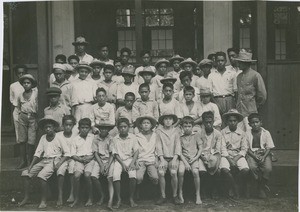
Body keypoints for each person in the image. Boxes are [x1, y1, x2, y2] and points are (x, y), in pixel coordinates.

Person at [19, 116, 70, 209]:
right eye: (46, 127)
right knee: (25, 173)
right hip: (44, 160)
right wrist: (30, 165)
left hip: (54, 161)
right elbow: (38, 153)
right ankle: (26, 197)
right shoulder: (43, 137)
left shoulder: (59, 137)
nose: (48, 129)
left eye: (50, 127)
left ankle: (43, 200)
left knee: (41, 175)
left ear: (54, 127)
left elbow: (67, 153)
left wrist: (59, 163)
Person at [198, 111, 232, 198]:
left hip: (214, 155)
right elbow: (199, 148)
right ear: (203, 122)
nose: (208, 124)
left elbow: (218, 149)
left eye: (210, 122)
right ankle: (204, 190)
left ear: (213, 122)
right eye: (206, 122)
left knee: (217, 170)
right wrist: (203, 158)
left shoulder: (218, 134)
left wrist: (212, 158)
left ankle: (215, 189)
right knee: (202, 171)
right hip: (202, 156)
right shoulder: (199, 134)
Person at [235, 49, 267, 131]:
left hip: (250, 111)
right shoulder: (239, 76)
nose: (238, 64)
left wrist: (256, 105)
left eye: (240, 62)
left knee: (250, 133)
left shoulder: (255, 75)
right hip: (239, 111)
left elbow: (262, 94)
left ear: (246, 63)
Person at [221, 109, 250, 198]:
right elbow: (222, 148)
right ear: (227, 122)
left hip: (238, 155)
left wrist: (235, 159)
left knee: (245, 170)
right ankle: (233, 187)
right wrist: (230, 159)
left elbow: (244, 149)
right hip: (226, 155)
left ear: (237, 121)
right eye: (230, 121)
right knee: (224, 170)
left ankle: (236, 184)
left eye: (234, 121)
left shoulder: (242, 133)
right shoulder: (222, 132)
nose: (232, 123)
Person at [245, 113, 274, 199]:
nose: (255, 124)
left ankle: (261, 187)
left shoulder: (266, 133)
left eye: (257, 122)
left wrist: (263, 157)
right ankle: (259, 185)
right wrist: (254, 157)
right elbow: (246, 148)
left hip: (264, 153)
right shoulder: (247, 133)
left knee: (268, 168)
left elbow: (269, 147)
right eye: (252, 123)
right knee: (252, 167)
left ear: (261, 123)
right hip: (251, 154)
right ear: (249, 124)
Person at [112, 118, 139, 208]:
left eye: (125, 127)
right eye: (120, 127)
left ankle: (131, 198)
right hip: (119, 160)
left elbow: (136, 151)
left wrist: (132, 163)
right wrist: (122, 164)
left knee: (133, 175)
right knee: (116, 175)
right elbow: (115, 154)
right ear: (118, 128)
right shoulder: (115, 138)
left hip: (130, 159)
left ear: (128, 127)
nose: (123, 129)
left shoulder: (133, 137)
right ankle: (118, 199)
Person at [156, 114, 181, 205]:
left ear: (173, 121)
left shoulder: (176, 131)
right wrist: (161, 159)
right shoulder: (159, 131)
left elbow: (178, 146)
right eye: (166, 119)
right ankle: (163, 196)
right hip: (163, 157)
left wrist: (175, 158)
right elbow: (158, 146)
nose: (168, 121)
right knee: (161, 172)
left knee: (174, 172)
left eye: (170, 119)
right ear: (162, 121)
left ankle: (175, 195)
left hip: (173, 157)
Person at [70, 118, 95, 207]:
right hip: (79, 160)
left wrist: (90, 158)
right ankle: (76, 198)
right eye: (82, 127)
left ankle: (90, 198)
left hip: (90, 159)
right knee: (76, 176)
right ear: (79, 128)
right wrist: (80, 160)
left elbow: (96, 152)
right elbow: (72, 154)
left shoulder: (92, 137)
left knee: (87, 175)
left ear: (89, 128)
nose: (84, 129)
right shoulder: (75, 139)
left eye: (86, 127)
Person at [178, 116, 202, 204]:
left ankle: (198, 194)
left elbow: (200, 148)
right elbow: (179, 152)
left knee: (195, 172)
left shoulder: (196, 135)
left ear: (192, 127)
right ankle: (180, 192)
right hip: (183, 159)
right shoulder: (180, 137)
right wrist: (186, 163)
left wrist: (195, 158)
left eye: (189, 126)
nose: (187, 128)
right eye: (185, 126)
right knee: (180, 171)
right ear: (182, 127)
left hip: (194, 158)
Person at [16, 74, 38, 169]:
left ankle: (30, 161)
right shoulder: (20, 95)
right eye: (24, 83)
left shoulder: (36, 94)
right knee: (22, 140)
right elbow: (18, 107)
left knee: (31, 141)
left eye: (28, 83)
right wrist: (21, 116)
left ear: (32, 84)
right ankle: (23, 161)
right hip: (23, 117)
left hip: (32, 117)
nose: (26, 84)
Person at [91, 123, 115, 210]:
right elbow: (95, 153)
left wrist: (107, 166)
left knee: (110, 178)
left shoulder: (111, 139)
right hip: (99, 160)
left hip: (109, 160)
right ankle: (102, 195)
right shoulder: (96, 138)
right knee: (93, 176)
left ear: (108, 130)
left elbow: (112, 154)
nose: (104, 130)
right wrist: (101, 165)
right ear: (99, 129)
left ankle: (110, 200)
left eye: (106, 129)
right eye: (102, 128)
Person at [134, 116, 159, 199]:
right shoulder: (137, 136)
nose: (146, 125)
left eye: (148, 123)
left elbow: (157, 149)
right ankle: (137, 191)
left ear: (151, 125)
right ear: (140, 125)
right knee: (138, 177)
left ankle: (154, 193)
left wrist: (156, 159)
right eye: (144, 123)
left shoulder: (155, 136)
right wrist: (136, 160)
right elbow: (135, 149)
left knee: (155, 177)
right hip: (141, 159)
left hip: (151, 159)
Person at [55, 115, 77, 206]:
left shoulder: (76, 135)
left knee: (72, 168)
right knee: (60, 171)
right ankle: (60, 195)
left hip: (72, 158)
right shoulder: (58, 135)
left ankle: (72, 194)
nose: (68, 127)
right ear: (63, 125)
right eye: (66, 125)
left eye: (70, 125)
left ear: (73, 126)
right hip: (62, 158)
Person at [10, 64, 27, 142]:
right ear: (16, 74)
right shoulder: (13, 86)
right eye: (19, 73)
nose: (21, 75)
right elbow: (12, 99)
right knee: (18, 130)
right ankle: (20, 150)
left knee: (28, 131)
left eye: (23, 73)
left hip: (27, 110)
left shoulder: (30, 84)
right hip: (17, 110)